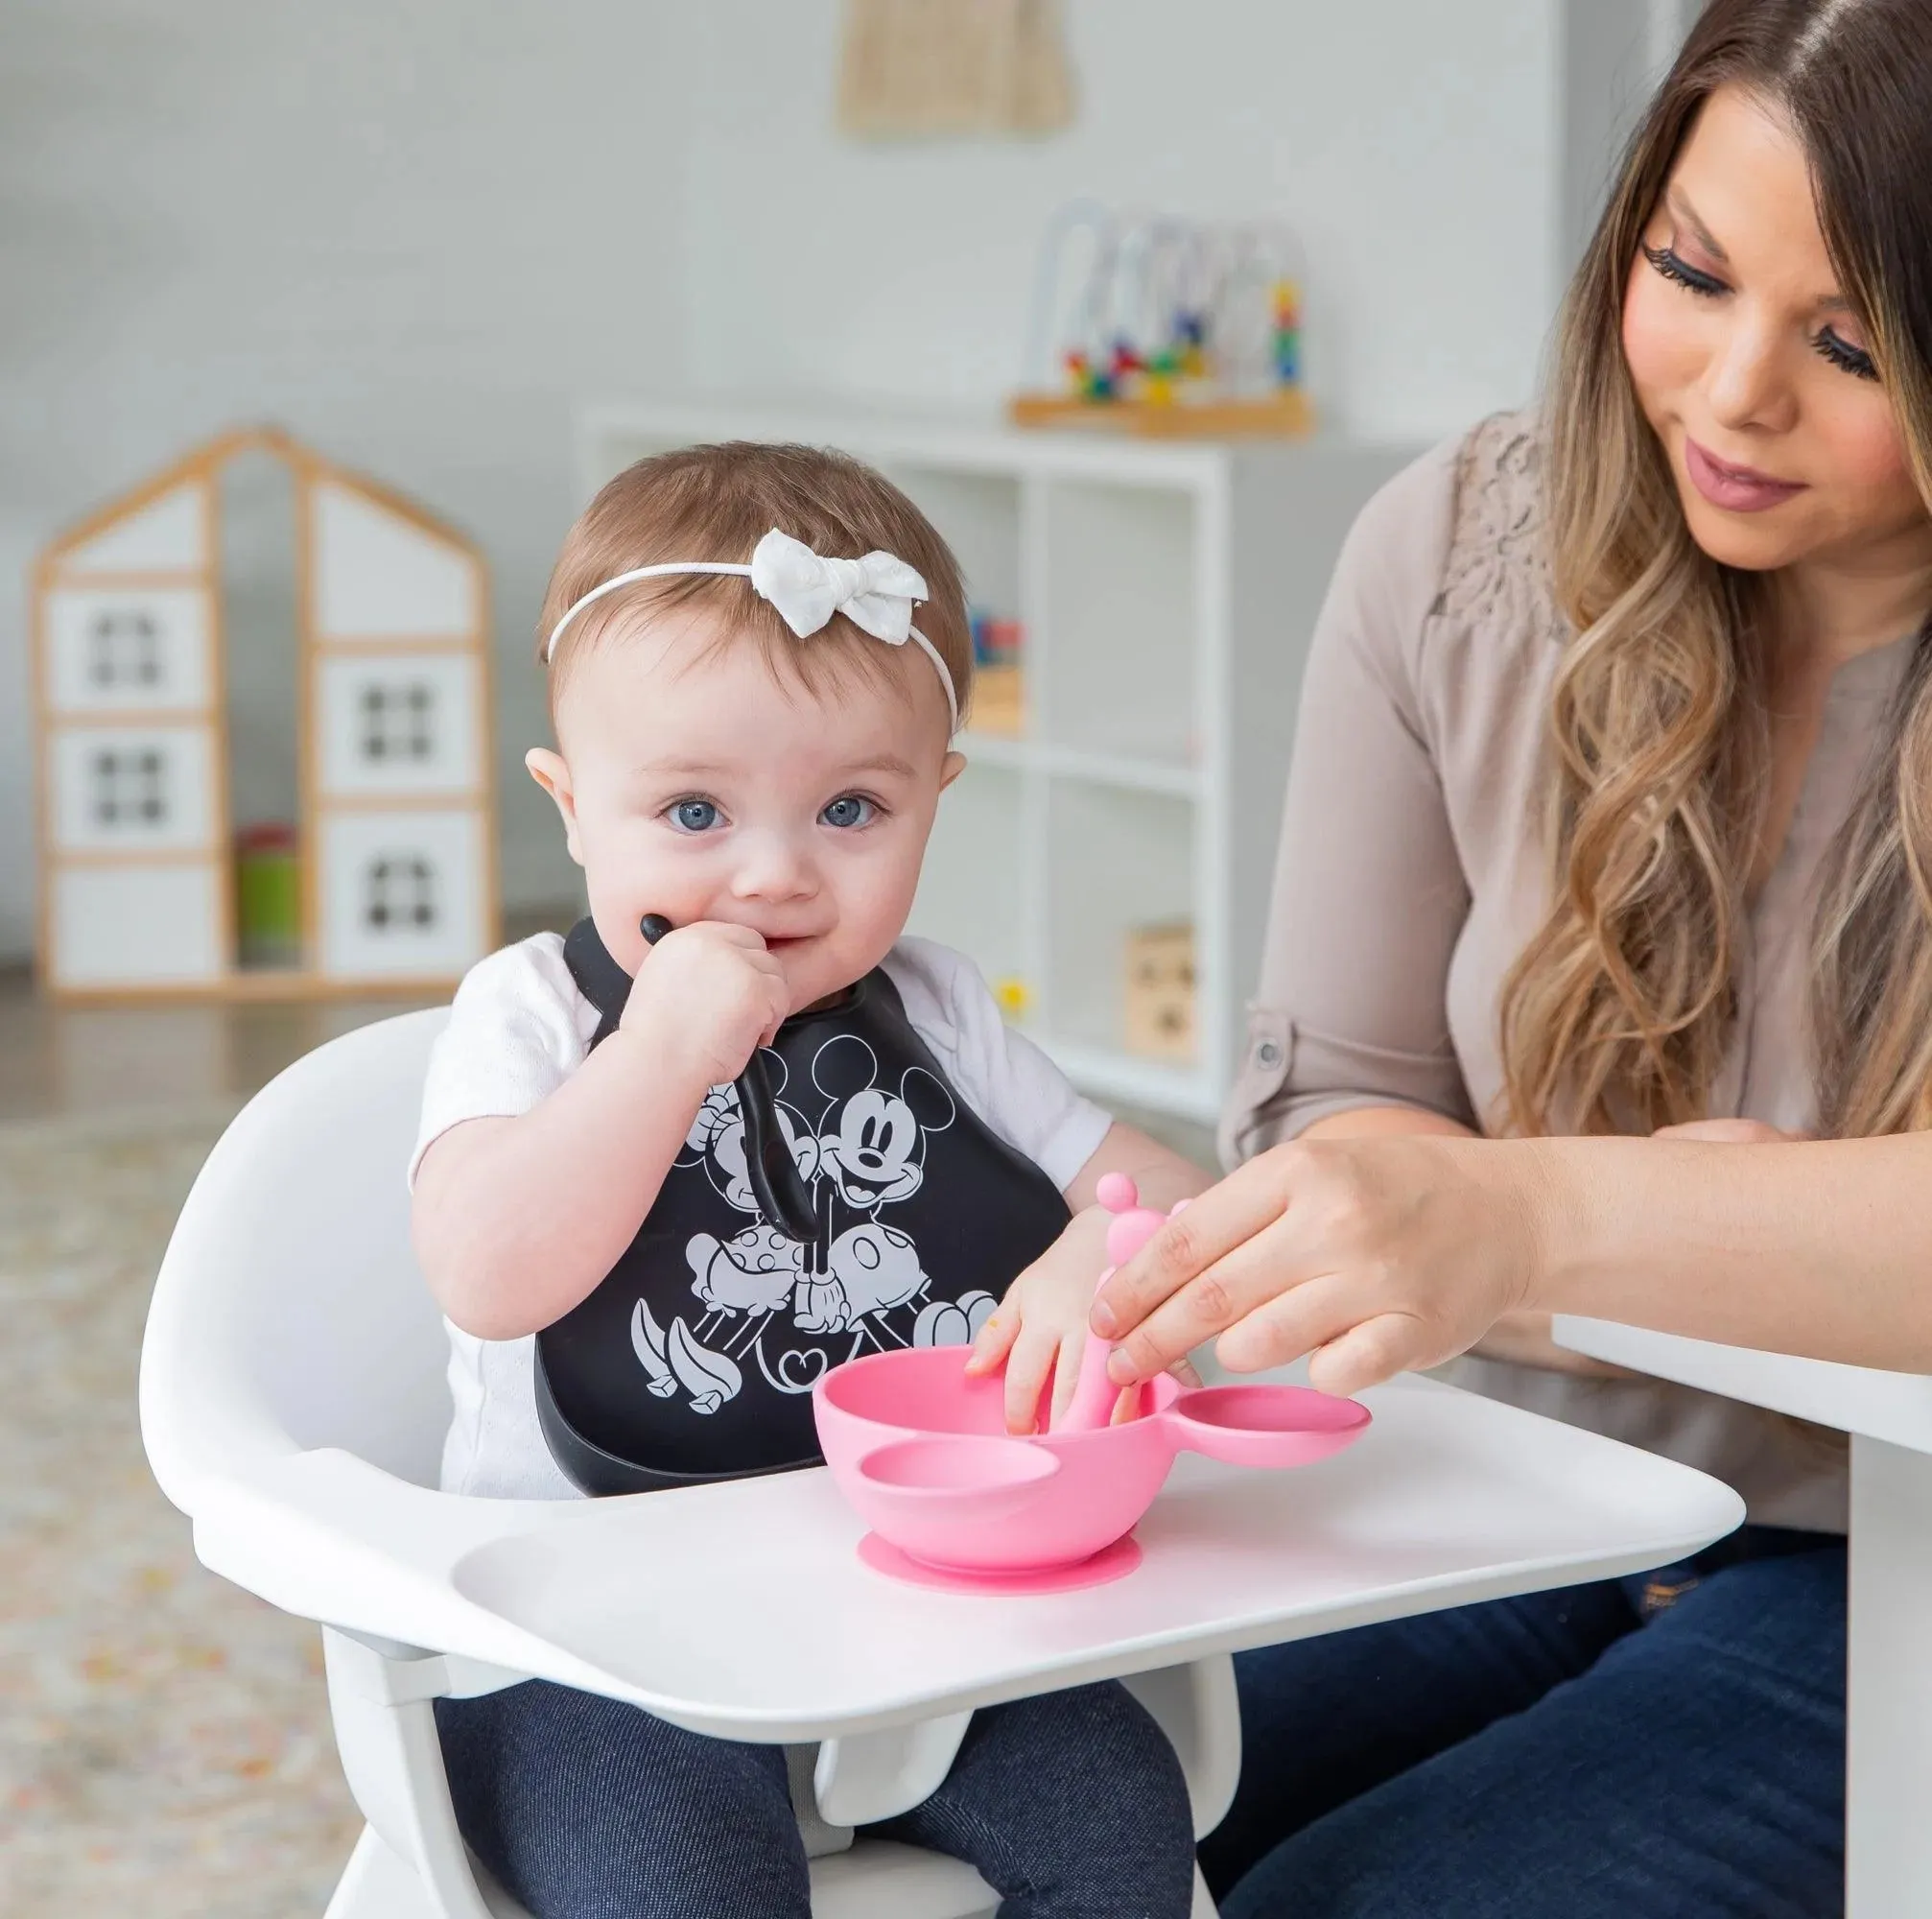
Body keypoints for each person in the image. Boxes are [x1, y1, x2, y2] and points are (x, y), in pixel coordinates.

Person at [1061, 2, 1932, 1911]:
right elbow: (1334, 1114)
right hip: (1497, 1478)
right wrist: (1716, 1226)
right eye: (1686, 271)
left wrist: (1520, 1224)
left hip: (1888, 1564)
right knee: (1022, 1814)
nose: (1722, 395)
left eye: (1850, 342)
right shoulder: (1457, 549)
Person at [409, 441, 1206, 1919]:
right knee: (688, 1890)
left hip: (914, 1593)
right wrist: (655, 1057)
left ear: (936, 795)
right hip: (583, 1635)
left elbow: (1159, 1182)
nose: (772, 878)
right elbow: (487, 1271)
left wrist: (1108, 1251)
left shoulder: (941, 1010)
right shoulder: (527, 1013)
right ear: (572, 806)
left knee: (1122, 1821)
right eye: (694, 815)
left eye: (850, 812)